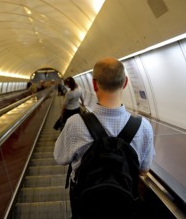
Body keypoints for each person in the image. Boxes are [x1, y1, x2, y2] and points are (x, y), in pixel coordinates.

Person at [53, 57, 155, 218]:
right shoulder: (144, 127)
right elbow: (143, 170)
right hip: (123, 205)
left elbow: (60, 158)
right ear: (125, 82)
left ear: (94, 84)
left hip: (85, 204)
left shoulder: (75, 123)